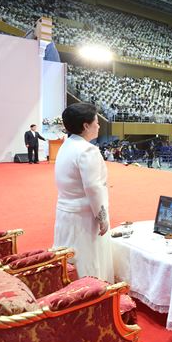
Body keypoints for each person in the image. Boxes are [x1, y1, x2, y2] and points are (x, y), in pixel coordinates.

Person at [53, 103, 113, 283]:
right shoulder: (88, 150)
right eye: (96, 122)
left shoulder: (67, 145)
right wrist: (102, 217)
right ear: (86, 126)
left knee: (70, 258)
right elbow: (93, 187)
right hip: (85, 217)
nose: (99, 125)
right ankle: (92, 293)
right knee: (88, 260)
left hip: (66, 212)